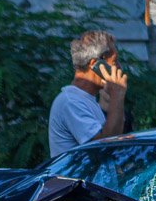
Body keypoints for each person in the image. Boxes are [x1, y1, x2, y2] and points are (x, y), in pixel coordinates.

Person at [48, 30, 129, 159]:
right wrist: (117, 95)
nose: (118, 68)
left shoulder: (86, 100)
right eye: (114, 62)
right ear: (94, 64)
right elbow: (105, 147)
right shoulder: (71, 102)